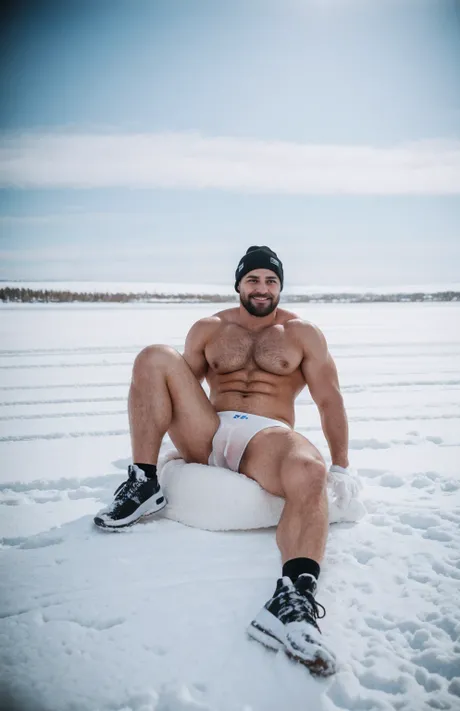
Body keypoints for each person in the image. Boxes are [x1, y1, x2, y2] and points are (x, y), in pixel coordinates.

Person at [94, 245, 352, 676]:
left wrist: (341, 465)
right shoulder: (209, 329)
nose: (262, 288)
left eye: (271, 280)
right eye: (253, 279)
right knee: (154, 356)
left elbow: (330, 400)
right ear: (238, 284)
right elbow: (174, 389)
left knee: (311, 470)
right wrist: (163, 443)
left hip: (265, 437)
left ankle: (292, 599)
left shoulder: (303, 334)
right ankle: (143, 482)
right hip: (208, 428)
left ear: (280, 286)